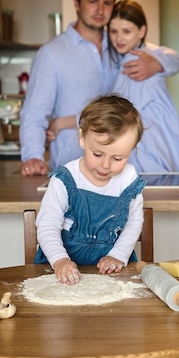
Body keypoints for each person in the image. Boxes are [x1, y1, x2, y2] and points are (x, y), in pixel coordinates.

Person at [19, 0, 179, 177]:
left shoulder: (119, 43)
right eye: (93, 2)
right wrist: (33, 156)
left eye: (107, 3)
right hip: (72, 168)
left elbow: (174, 59)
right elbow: (34, 113)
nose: (100, 10)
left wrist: (157, 64)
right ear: (77, 4)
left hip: (117, 170)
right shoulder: (52, 53)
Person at [34, 95, 145, 285]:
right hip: (58, 268)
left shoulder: (128, 178)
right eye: (98, 154)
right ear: (82, 139)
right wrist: (60, 260)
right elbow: (47, 225)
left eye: (118, 158)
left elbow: (134, 222)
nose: (106, 165)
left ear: (132, 149)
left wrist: (118, 256)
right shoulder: (65, 179)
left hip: (112, 268)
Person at [108, 0, 179, 173]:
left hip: (149, 151)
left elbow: (115, 113)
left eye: (126, 31)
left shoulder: (136, 61)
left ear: (142, 31)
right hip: (161, 147)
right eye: (113, 31)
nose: (119, 38)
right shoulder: (144, 54)